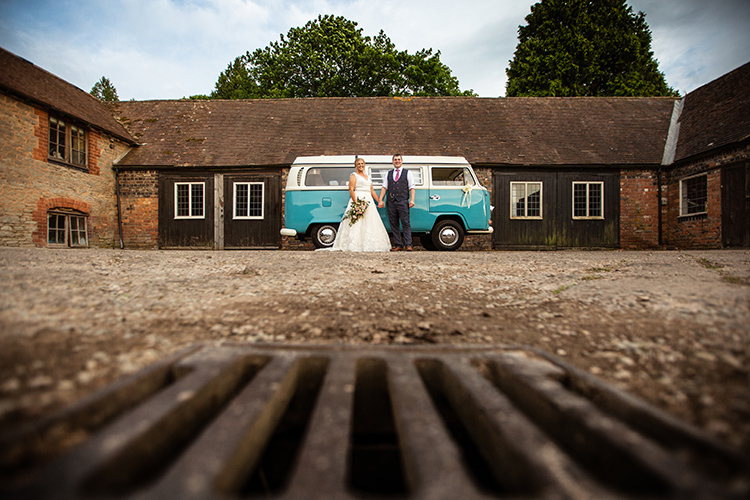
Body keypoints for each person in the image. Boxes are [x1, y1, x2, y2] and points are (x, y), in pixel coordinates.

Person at [330, 157, 391, 252]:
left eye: (362, 163)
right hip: (358, 199)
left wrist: (379, 200)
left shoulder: (367, 177)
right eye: (358, 164)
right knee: (357, 222)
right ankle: (355, 244)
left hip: (369, 201)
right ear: (355, 166)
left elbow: (372, 190)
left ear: (364, 165)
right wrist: (356, 203)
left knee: (370, 221)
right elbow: (351, 189)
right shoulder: (354, 175)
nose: (361, 165)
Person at [378, 153, 415, 251]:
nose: (397, 161)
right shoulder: (388, 173)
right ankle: (398, 245)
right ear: (393, 161)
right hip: (391, 202)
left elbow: (412, 187)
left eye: (398, 159)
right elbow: (384, 187)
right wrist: (380, 200)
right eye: (395, 159)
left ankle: (409, 244)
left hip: (403, 201)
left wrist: (412, 200)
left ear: (401, 161)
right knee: (394, 224)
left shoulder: (408, 173)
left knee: (405, 223)